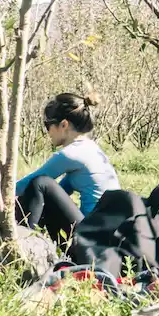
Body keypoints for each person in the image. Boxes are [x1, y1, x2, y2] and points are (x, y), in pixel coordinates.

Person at [14, 92, 121, 243]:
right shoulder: (90, 148)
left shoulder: (69, 155)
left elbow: (28, 185)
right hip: (105, 233)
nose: (48, 133)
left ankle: (24, 245)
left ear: (63, 124)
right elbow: (58, 194)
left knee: (40, 183)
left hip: (91, 237)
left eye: (47, 125)